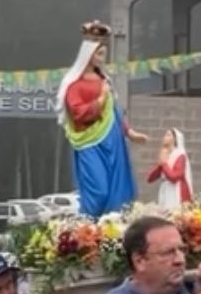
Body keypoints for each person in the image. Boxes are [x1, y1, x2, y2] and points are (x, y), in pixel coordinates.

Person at [56, 19, 148, 217]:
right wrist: (99, 99)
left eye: (103, 54)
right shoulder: (75, 84)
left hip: (112, 138)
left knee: (117, 189)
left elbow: (113, 110)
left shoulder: (105, 80)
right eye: (98, 53)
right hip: (90, 141)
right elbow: (78, 112)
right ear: (87, 54)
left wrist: (129, 132)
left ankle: (110, 228)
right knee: (99, 188)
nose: (101, 58)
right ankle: (89, 227)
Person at [147, 128, 194, 208]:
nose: (164, 137)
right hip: (166, 189)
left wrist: (164, 164)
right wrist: (160, 164)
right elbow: (150, 178)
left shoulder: (180, 155)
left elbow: (174, 177)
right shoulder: (166, 155)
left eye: (168, 135)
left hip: (176, 190)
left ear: (175, 139)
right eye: (165, 135)